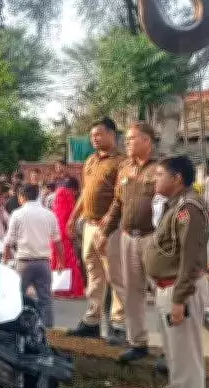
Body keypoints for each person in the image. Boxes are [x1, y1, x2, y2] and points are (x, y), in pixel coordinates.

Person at [143, 156, 209, 388]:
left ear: (177, 178)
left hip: (180, 291)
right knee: (174, 358)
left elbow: (190, 260)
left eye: (160, 174)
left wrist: (180, 300)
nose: (154, 179)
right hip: (168, 288)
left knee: (186, 361)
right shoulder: (176, 205)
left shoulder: (188, 209)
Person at [95, 121, 160, 362]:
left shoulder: (160, 169)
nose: (127, 143)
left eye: (133, 138)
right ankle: (137, 342)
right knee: (132, 293)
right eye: (127, 139)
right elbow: (117, 204)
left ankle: (170, 350)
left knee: (163, 293)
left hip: (153, 238)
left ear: (147, 141)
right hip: (128, 238)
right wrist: (105, 233)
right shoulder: (125, 168)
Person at [66, 118, 127, 342]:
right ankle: (92, 320)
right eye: (92, 135)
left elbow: (121, 196)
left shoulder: (121, 162)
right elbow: (85, 193)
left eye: (99, 134)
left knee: (116, 275)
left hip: (110, 227)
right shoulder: (91, 161)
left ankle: (119, 324)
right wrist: (73, 217)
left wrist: (108, 221)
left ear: (112, 134)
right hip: (90, 225)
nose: (95, 138)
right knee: (93, 274)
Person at [2, 184, 62, 327]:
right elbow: (58, 241)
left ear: (22, 197)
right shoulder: (49, 214)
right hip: (43, 263)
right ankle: (46, 329)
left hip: (24, 263)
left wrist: (5, 259)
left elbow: (9, 241)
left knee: (17, 297)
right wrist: (61, 261)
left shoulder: (17, 214)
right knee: (45, 299)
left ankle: (16, 327)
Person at [52, 185, 85, 298]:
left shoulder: (57, 207)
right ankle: (70, 287)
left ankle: (58, 287)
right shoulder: (70, 204)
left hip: (57, 237)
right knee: (69, 261)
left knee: (58, 260)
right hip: (66, 236)